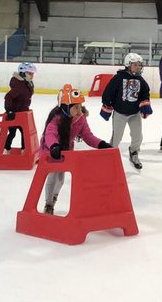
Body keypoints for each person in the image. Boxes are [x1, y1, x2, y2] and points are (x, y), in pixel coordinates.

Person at [40, 84, 111, 214]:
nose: (79, 111)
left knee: (60, 179)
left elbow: (88, 136)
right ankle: (48, 204)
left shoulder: (80, 119)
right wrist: (54, 146)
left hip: (66, 151)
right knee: (52, 178)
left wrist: (101, 144)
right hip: (51, 151)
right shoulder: (57, 118)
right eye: (76, 108)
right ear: (66, 107)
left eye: (80, 107)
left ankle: (54, 198)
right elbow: (50, 134)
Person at [101, 52, 152, 170]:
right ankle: (110, 155)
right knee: (116, 137)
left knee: (137, 136)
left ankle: (134, 152)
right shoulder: (118, 78)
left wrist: (145, 104)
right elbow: (108, 92)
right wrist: (107, 104)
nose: (138, 67)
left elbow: (145, 92)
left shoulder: (140, 79)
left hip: (134, 113)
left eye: (140, 65)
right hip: (120, 113)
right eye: (135, 65)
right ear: (128, 64)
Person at [3, 62, 36, 151]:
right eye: (30, 73)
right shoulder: (19, 85)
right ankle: (6, 148)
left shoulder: (27, 83)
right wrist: (9, 111)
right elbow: (8, 97)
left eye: (32, 73)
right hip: (14, 115)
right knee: (12, 133)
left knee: (24, 132)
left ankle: (24, 150)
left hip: (23, 113)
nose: (32, 75)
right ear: (22, 73)